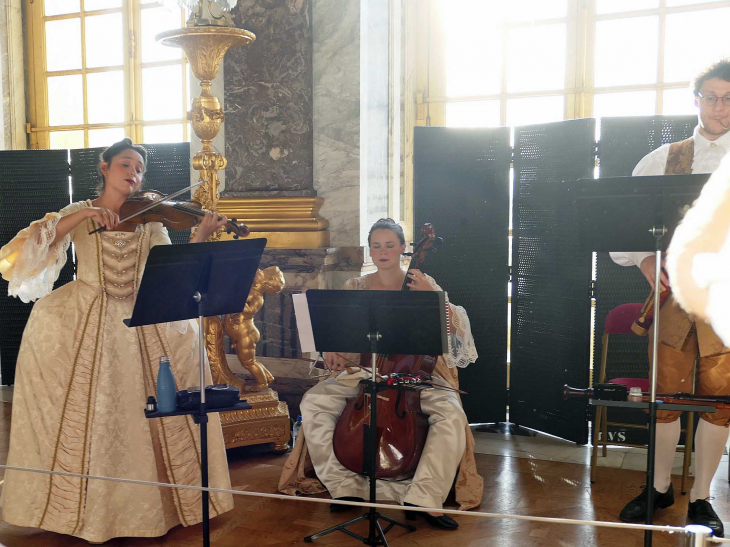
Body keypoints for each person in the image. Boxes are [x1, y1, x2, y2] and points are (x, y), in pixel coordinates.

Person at [0, 139, 235, 543]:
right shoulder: (77, 213)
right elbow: (24, 254)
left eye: (140, 169)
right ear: (105, 168)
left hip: (141, 320)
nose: (134, 174)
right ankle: (83, 510)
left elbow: (171, 272)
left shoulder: (152, 219)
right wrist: (86, 213)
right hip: (86, 315)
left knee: (141, 409)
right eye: (126, 164)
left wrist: (201, 233)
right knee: (95, 412)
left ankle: (154, 507)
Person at [278, 218, 482, 530]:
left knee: (451, 414)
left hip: (413, 378)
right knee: (313, 402)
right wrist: (332, 348)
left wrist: (434, 297)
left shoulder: (421, 283)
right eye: (376, 246)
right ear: (370, 251)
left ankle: (425, 496)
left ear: (403, 249)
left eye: (390, 245)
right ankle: (343, 486)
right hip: (365, 374)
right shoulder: (355, 287)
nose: (383, 251)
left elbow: (457, 329)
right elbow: (342, 335)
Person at [610, 59, 730, 536]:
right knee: (666, 397)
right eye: (711, 97)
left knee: (720, 400)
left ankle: (702, 496)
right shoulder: (662, 158)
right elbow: (625, 229)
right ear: (696, 100)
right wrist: (647, 266)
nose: (720, 107)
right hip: (673, 302)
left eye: (729, 98)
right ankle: (658, 487)